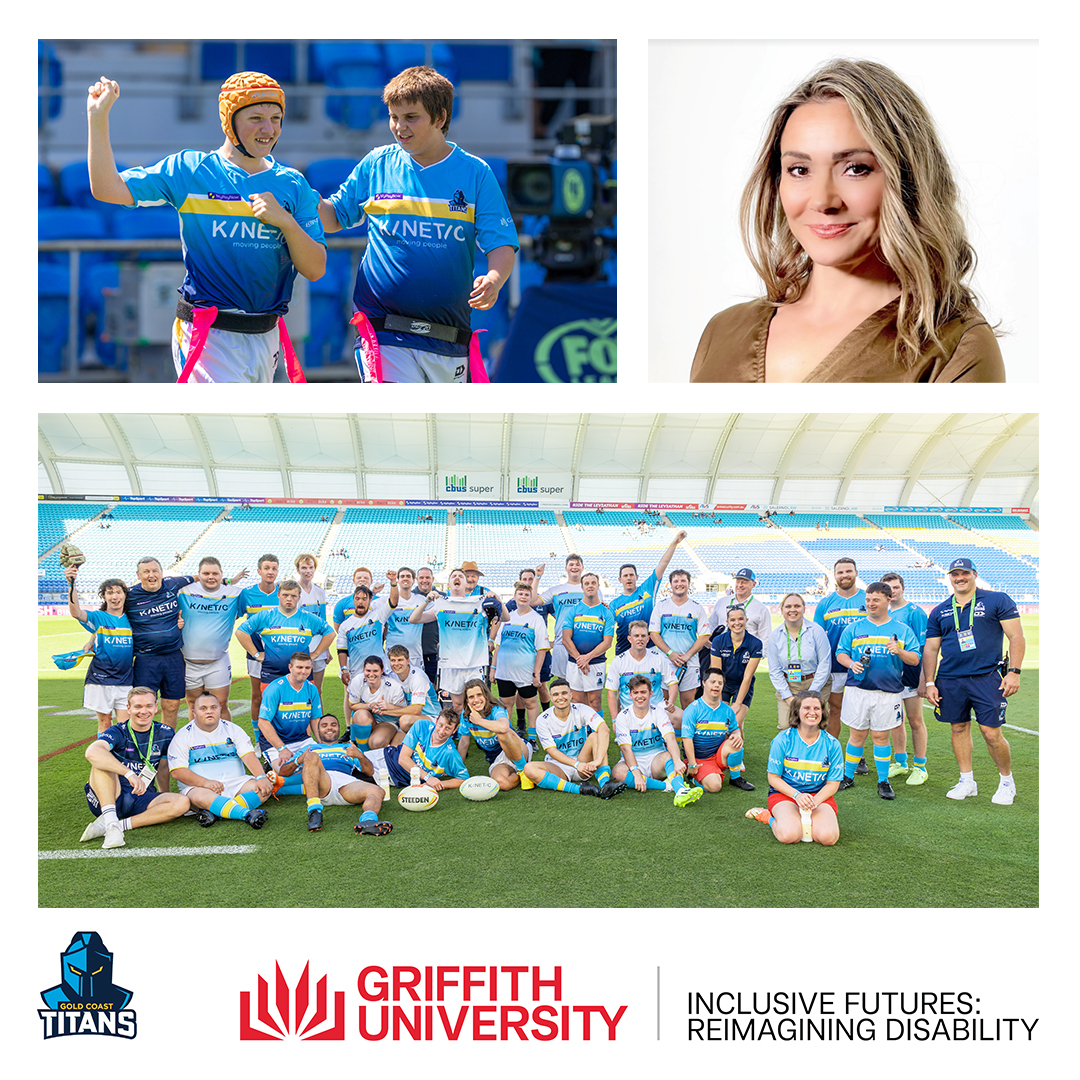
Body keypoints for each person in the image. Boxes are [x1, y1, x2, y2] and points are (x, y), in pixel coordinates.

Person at [690, 59, 1004, 383]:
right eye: (800, 170)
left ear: (909, 180)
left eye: (855, 168)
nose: (823, 201)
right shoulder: (722, 332)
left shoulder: (956, 346)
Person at [86, 72, 326, 383]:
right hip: (209, 336)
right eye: (256, 118)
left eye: (276, 118)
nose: (268, 129)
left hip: (266, 335)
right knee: (226, 429)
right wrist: (97, 118)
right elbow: (107, 188)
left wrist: (286, 223)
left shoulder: (293, 184)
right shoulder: (190, 170)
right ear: (229, 121)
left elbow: (315, 268)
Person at [317, 66, 518, 383]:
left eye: (411, 117)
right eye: (393, 117)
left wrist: (494, 277)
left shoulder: (476, 173)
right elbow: (332, 218)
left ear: (440, 118)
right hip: (384, 332)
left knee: (444, 432)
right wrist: (300, 196)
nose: (399, 127)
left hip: (450, 339)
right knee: (397, 425)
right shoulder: (376, 163)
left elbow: (501, 244)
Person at [923, 558, 1025, 805]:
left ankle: (1006, 782)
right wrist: (929, 682)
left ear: (974, 575)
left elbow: (1016, 636)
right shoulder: (940, 610)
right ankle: (967, 781)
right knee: (958, 727)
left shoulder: (997, 600)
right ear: (949, 577)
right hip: (950, 679)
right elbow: (930, 650)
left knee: (991, 732)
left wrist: (1014, 671)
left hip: (987, 677)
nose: (960, 577)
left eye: (964, 573)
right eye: (955, 574)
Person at [124, 556, 244, 729]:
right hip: (160, 659)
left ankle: (224, 744)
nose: (151, 575)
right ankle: (157, 747)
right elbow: (110, 616)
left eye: (155, 571)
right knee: (177, 706)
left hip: (195, 658)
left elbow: (199, 578)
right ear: (138, 574)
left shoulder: (174, 585)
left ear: (161, 573)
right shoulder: (132, 595)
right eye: (146, 572)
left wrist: (228, 581)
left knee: (209, 705)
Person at [834, 581, 922, 799]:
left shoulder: (902, 630)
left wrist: (899, 651)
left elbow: (915, 658)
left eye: (876, 600)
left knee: (881, 737)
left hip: (888, 691)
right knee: (857, 735)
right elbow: (841, 653)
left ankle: (883, 781)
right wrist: (850, 664)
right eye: (867, 600)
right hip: (858, 689)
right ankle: (848, 776)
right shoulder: (853, 628)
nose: (871, 604)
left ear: (888, 600)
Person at [79, 687, 188, 849]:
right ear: (128, 708)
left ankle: (115, 826)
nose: (143, 711)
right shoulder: (118, 731)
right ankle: (110, 821)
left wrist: (163, 796)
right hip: (110, 795)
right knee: (101, 762)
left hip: (140, 796)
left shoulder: (165, 733)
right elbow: (92, 752)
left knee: (182, 802)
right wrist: (129, 773)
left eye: (148, 706)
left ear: (156, 707)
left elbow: (163, 769)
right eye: (138, 707)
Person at [746, 691, 843, 845]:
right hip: (786, 794)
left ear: (823, 712)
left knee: (828, 838)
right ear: (797, 711)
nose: (812, 712)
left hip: (818, 796)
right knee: (789, 835)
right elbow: (773, 778)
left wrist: (815, 801)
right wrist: (797, 795)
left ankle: (810, 818)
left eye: (817, 708)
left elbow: (833, 784)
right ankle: (767, 817)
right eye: (806, 708)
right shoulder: (782, 740)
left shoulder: (832, 744)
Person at [408, 568, 507, 714]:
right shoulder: (441, 605)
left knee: (476, 703)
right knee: (457, 704)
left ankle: (479, 732)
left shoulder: (479, 603)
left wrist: (497, 599)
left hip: (474, 663)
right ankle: (462, 734)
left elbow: (505, 618)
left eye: (461, 576)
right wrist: (426, 600)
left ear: (465, 583)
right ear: (449, 583)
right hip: (451, 664)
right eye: (454, 576)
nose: (457, 578)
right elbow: (414, 619)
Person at [167, 691, 271, 829]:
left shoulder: (233, 729)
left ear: (220, 709)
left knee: (264, 789)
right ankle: (246, 814)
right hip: (200, 788)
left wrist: (261, 777)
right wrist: (206, 783)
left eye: (213, 707)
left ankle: (216, 812)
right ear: (193, 712)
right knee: (201, 797)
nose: (209, 712)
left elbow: (248, 755)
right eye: (203, 708)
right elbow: (177, 772)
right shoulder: (182, 736)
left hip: (236, 783)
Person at [282, 714, 392, 835]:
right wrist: (299, 760)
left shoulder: (347, 747)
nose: (329, 728)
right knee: (311, 756)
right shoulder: (309, 748)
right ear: (317, 731)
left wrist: (360, 755)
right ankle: (314, 811)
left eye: (333, 725)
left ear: (339, 729)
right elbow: (283, 772)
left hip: (345, 783)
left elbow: (370, 771)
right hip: (321, 782)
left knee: (377, 791)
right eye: (324, 725)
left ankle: (368, 821)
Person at [522, 679, 623, 798]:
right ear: (550, 697)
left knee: (596, 736)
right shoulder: (542, 720)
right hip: (558, 767)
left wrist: (597, 760)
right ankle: (581, 789)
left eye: (564, 693)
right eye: (555, 694)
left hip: (584, 763)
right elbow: (552, 751)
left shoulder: (582, 709)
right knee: (529, 769)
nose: (560, 697)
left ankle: (606, 784)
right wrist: (575, 764)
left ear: (571, 695)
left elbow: (604, 729)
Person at [612, 675, 701, 807]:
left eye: (643, 692)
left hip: (656, 760)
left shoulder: (658, 712)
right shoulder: (622, 717)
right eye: (635, 693)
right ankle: (666, 785)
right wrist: (636, 773)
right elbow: (626, 749)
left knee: (669, 756)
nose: (639, 696)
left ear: (651, 693)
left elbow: (670, 738)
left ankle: (681, 790)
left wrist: (677, 760)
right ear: (630, 695)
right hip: (634, 760)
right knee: (617, 773)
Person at [64, 564, 133, 732]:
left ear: (125, 595)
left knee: (126, 726)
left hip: (125, 680)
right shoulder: (98, 617)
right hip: (100, 679)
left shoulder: (133, 619)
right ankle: (103, 757)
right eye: (110, 593)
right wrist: (71, 583)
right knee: (105, 724)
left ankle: (122, 758)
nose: (114, 596)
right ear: (104, 597)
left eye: (118, 592)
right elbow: (76, 612)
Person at [234, 579, 335, 688]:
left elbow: (330, 633)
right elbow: (241, 632)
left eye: (293, 596)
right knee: (272, 704)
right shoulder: (266, 616)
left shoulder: (308, 618)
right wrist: (256, 654)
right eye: (285, 595)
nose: (289, 599)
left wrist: (315, 654)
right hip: (272, 673)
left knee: (301, 704)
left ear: (299, 598)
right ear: (278, 595)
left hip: (301, 673)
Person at [178, 556, 243, 724]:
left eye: (215, 573)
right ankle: (197, 742)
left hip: (218, 662)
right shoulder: (185, 591)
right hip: (188, 662)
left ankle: (227, 742)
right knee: (193, 705)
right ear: (198, 574)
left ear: (221, 574)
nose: (211, 577)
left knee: (220, 705)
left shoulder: (234, 594)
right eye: (206, 573)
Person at [880, 572, 930, 784]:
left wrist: (924, 679)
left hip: (911, 673)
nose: (892, 591)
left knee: (915, 720)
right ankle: (901, 763)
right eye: (888, 588)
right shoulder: (883, 612)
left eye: (896, 587)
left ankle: (920, 767)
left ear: (903, 588)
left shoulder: (914, 612)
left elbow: (926, 647)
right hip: (890, 676)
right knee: (895, 720)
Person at [813, 558, 867, 742]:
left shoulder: (868, 599)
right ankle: (832, 749)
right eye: (840, 572)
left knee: (860, 713)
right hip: (835, 667)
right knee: (834, 709)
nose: (845, 575)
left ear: (856, 573)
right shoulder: (825, 603)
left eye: (848, 571)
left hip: (864, 667)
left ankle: (858, 755)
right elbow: (817, 638)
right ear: (835, 576)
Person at [608, 530, 687, 654]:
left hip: (649, 650)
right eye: (625, 576)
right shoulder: (614, 604)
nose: (629, 578)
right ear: (620, 579)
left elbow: (663, 564)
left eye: (631, 575)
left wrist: (675, 542)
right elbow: (606, 627)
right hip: (624, 652)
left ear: (637, 577)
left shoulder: (647, 589)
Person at [491, 580, 550, 737]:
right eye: (520, 594)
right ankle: (507, 736)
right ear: (515, 597)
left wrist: (536, 673)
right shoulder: (507, 618)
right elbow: (498, 645)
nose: (523, 597)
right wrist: (493, 668)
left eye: (526, 595)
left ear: (530, 598)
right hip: (504, 672)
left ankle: (531, 737)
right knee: (506, 704)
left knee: (530, 703)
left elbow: (542, 649)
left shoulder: (536, 619)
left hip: (525, 672)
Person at [766, 593, 832, 730]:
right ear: (782, 609)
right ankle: (790, 752)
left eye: (797, 606)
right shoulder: (775, 636)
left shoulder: (816, 631)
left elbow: (825, 664)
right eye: (788, 606)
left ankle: (817, 751)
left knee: (815, 726)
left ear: (804, 608)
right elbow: (774, 669)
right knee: (786, 726)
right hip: (789, 685)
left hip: (816, 683)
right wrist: (788, 697)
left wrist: (811, 695)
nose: (793, 610)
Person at [255, 652, 322, 779]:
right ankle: (272, 767)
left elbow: (315, 719)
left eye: (307, 668)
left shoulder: (312, 689)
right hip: (276, 743)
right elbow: (263, 723)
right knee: (286, 772)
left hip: (302, 739)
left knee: (326, 764)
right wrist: (282, 749)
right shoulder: (275, 688)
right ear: (290, 668)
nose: (304, 671)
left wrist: (322, 743)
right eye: (299, 667)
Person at [701, 568, 772, 687]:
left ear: (753, 584)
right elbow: (710, 625)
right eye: (738, 581)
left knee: (740, 697)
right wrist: (706, 641)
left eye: (744, 581)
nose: (740, 585)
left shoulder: (761, 609)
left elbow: (766, 638)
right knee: (713, 693)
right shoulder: (722, 602)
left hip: (743, 659)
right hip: (718, 655)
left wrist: (755, 658)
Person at [648, 568, 709, 707]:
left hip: (689, 663)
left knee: (688, 703)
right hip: (665, 661)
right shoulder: (661, 606)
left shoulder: (697, 608)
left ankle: (685, 729)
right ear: (670, 584)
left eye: (683, 581)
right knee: (663, 703)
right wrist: (670, 654)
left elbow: (704, 635)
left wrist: (687, 656)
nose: (679, 584)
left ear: (689, 584)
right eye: (676, 581)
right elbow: (654, 633)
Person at [681, 669, 747, 793]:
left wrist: (737, 735)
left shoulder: (727, 710)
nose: (716, 685)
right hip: (699, 759)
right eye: (713, 682)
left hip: (718, 756)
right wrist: (692, 764)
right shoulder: (693, 709)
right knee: (715, 786)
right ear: (704, 683)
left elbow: (735, 730)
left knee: (736, 743)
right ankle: (691, 775)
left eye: (720, 683)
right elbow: (687, 739)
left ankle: (735, 778)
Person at [457, 679, 531, 790]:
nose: (476, 700)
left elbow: (503, 727)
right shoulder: (466, 715)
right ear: (466, 700)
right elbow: (463, 742)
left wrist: (479, 721)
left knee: (501, 731)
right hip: (497, 758)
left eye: (479, 694)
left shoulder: (496, 708)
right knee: (502, 784)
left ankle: (522, 769)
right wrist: (458, 769)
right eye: (471, 697)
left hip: (518, 749)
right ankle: (528, 775)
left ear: (486, 695)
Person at [605, 620, 680, 726]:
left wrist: (671, 702)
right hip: (630, 710)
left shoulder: (658, 658)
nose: (640, 639)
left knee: (680, 717)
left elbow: (672, 683)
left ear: (648, 639)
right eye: (636, 636)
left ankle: (670, 741)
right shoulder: (619, 661)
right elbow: (611, 693)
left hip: (657, 706)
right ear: (629, 639)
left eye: (643, 636)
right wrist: (614, 720)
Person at [238, 554, 280, 732]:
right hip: (256, 654)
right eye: (267, 568)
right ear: (259, 571)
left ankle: (280, 734)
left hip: (281, 654)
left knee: (281, 696)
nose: (270, 572)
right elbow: (236, 619)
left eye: (274, 568)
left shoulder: (283, 592)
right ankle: (258, 739)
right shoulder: (247, 594)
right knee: (257, 696)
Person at [561, 572, 614, 710]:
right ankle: (582, 732)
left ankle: (596, 732)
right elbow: (566, 639)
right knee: (577, 702)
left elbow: (607, 642)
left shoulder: (606, 613)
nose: (590, 586)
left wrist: (588, 658)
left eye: (593, 583)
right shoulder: (573, 611)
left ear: (598, 586)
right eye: (587, 583)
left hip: (596, 663)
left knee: (594, 701)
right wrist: (580, 660)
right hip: (575, 663)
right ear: (582, 587)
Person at [386, 708, 470, 790]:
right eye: (440, 725)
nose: (441, 731)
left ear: (454, 730)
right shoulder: (421, 725)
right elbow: (403, 759)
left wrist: (440, 784)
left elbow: (464, 778)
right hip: (386, 759)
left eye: (448, 728)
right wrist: (428, 778)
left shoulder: (450, 752)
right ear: (436, 721)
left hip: (397, 779)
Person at [345, 655, 405, 752]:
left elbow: (403, 711)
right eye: (368, 671)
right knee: (360, 715)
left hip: (388, 721)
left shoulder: (393, 687)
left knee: (376, 743)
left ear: (382, 670)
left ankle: (388, 740)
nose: (371, 674)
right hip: (370, 718)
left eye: (375, 671)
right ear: (363, 669)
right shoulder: (357, 681)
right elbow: (352, 705)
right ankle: (363, 753)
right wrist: (369, 706)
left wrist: (387, 708)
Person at [385, 644, 441, 732]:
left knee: (405, 721)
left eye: (400, 660)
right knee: (385, 743)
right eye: (393, 660)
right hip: (409, 717)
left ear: (408, 661)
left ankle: (424, 743)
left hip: (432, 717)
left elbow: (416, 710)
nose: (396, 664)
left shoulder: (418, 677)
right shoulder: (391, 676)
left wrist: (386, 712)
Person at [295, 554, 330, 693]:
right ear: (298, 570)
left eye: (311, 567)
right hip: (300, 647)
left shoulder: (320, 591)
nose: (308, 571)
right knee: (300, 689)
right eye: (304, 568)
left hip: (319, 649)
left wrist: (326, 649)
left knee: (317, 690)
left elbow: (323, 623)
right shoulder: (293, 591)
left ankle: (318, 716)